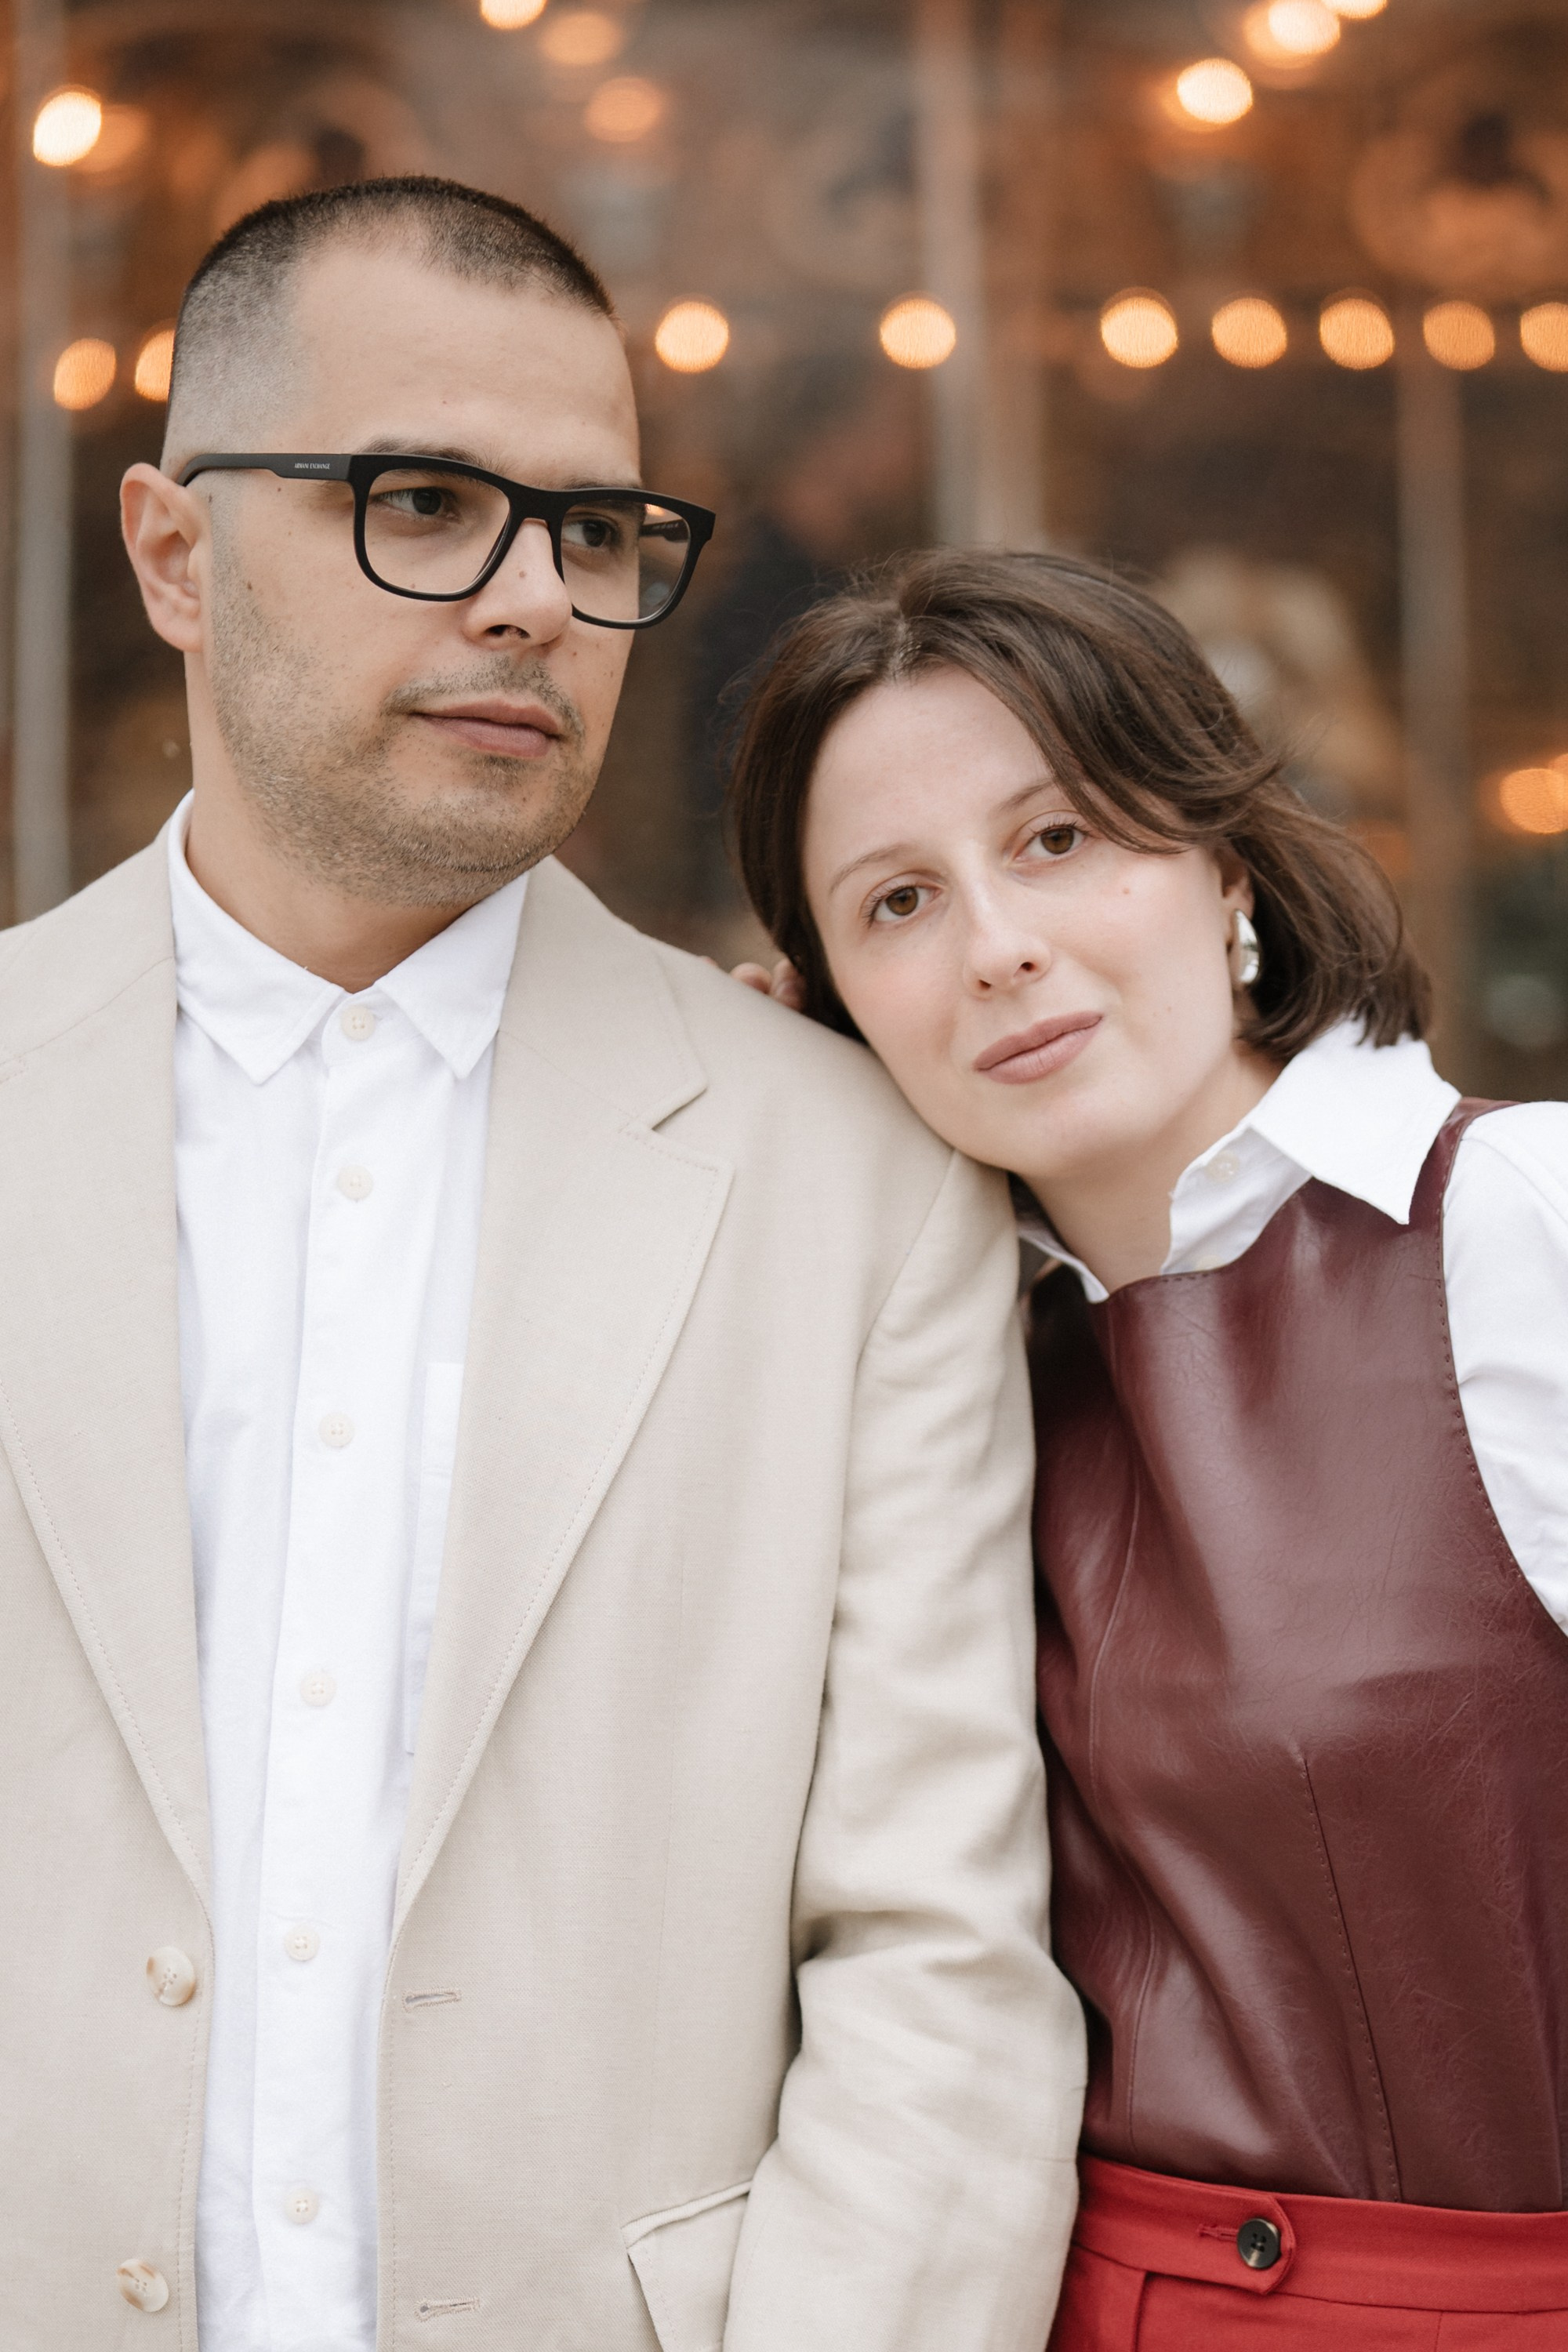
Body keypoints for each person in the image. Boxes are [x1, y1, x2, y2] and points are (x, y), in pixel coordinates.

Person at [0, 185, 1087, 2348]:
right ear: (174, 556)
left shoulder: (859, 1183)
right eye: (423, 503)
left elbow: (936, 1968)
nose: (531, 600)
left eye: (593, 533)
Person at [726, 546, 1568, 2349]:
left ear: (1223, 862)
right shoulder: (922, 1362)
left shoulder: (1517, 1222)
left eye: (1056, 839)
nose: (996, 945)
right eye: (895, 903)